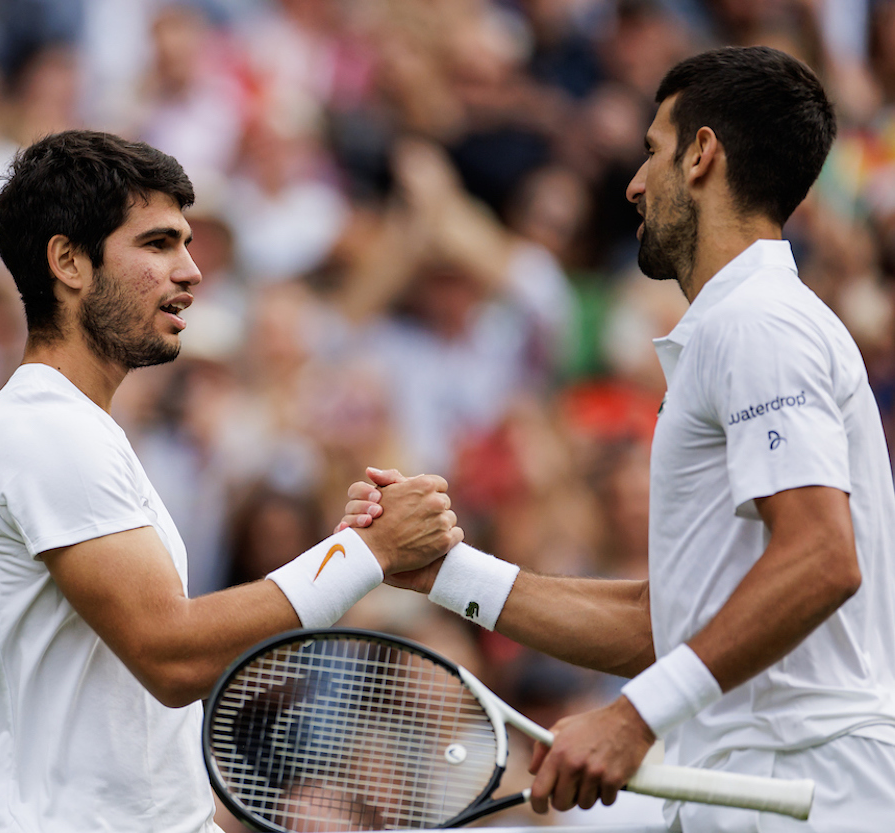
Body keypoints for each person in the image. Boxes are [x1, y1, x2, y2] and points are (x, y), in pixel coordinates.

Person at [342, 46, 895, 832]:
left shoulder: (758, 322)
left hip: (812, 783)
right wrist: (442, 570)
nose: (634, 184)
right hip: (767, 782)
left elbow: (821, 556)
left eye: (650, 151)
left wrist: (632, 718)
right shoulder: (745, 325)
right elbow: (662, 624)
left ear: (702, 154)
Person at [0, 130, 463, 833]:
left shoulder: (71, 427)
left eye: (186, 244)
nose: (190, 271)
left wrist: (348, 546)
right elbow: (171, 651)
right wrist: (363, 558)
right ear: (68, 261)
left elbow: (135, 717)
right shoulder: (46, 427)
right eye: (158, 244)